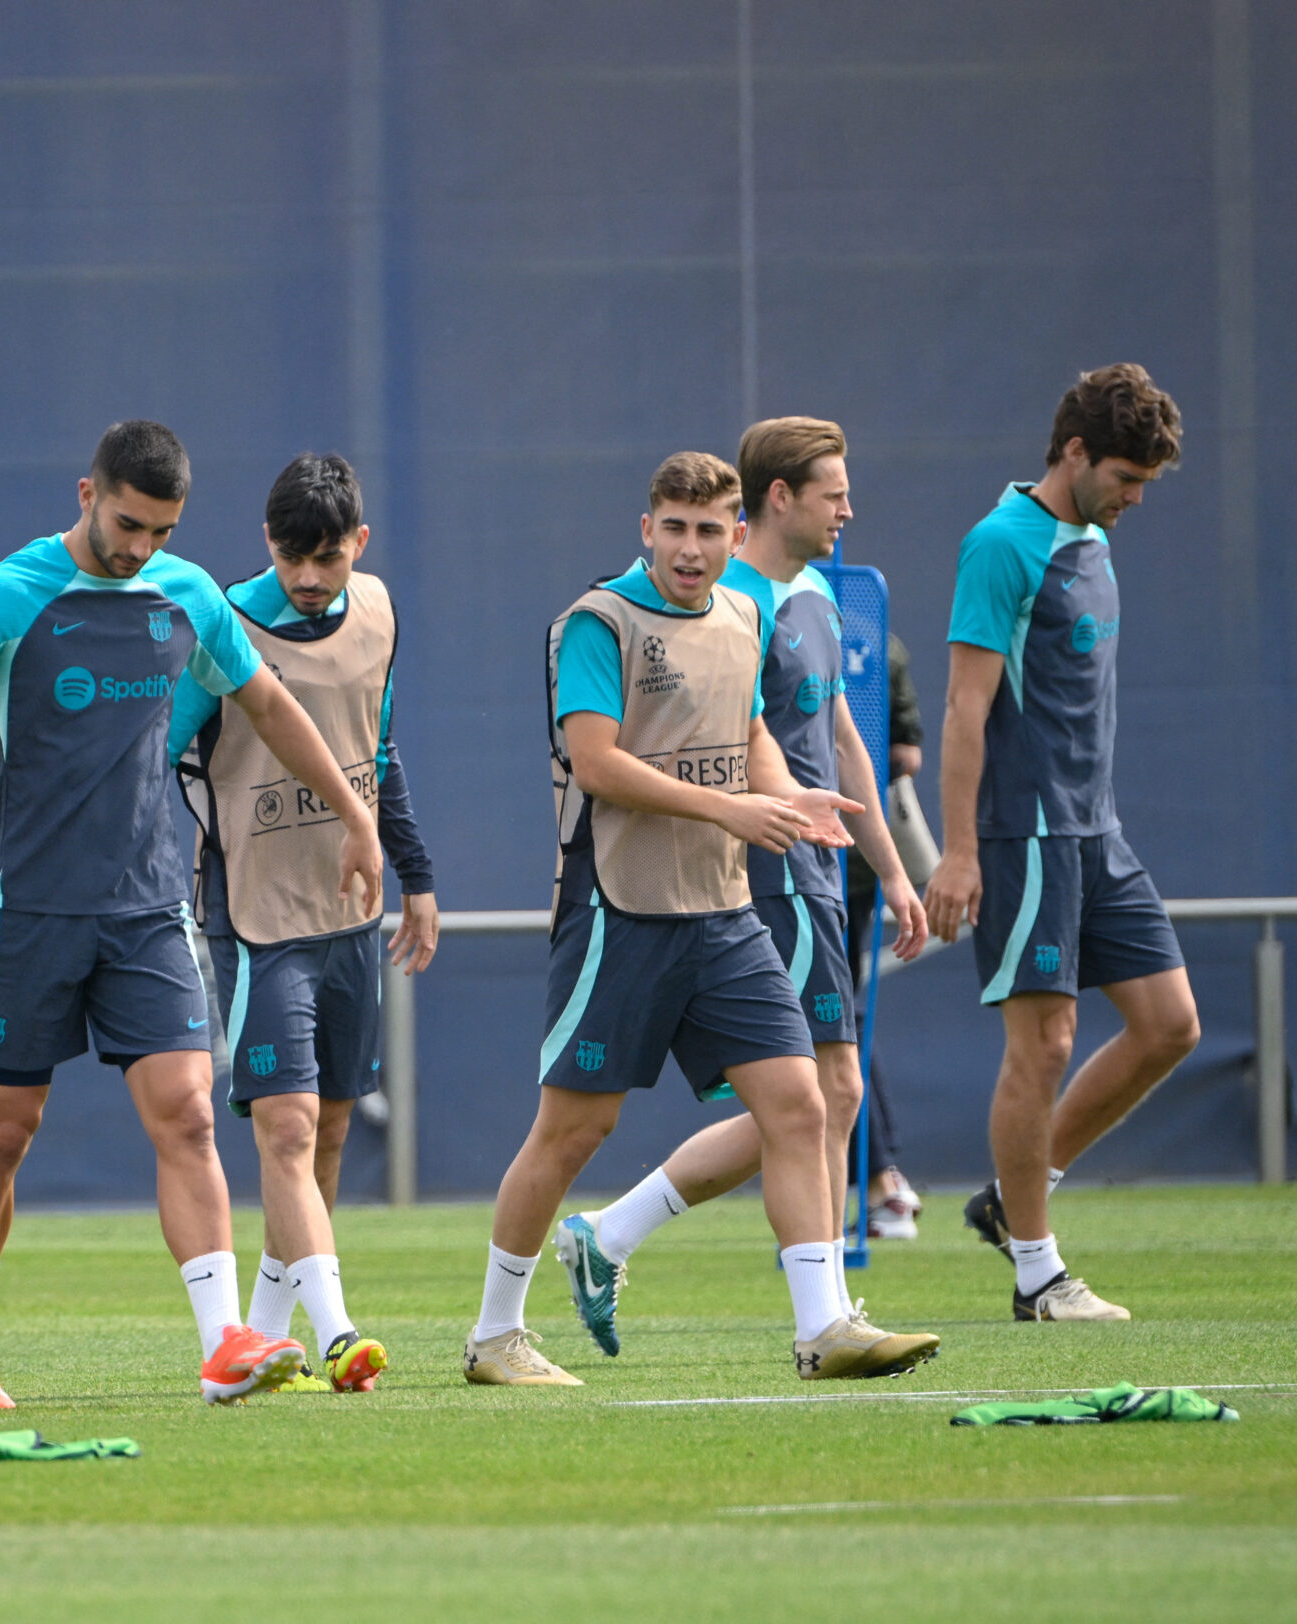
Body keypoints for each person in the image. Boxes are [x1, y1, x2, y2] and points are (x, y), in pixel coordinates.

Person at [0, 421, 384, 1409]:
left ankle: (222, 1344)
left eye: (161, 531)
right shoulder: (3, 597)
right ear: (86, 492)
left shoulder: (187, 595)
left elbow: (272, 707)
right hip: (32, 909)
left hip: (152, 909)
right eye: (127, 524)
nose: (141, 548)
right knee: (3, 1133)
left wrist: (356, 815)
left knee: (191, 1116)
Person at [464, 450, 938, 1387]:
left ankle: (824, 1326)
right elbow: (596, 762)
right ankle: (493, 1337)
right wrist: (734, 810)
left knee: (804, 1103)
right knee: (572, 1132)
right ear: (646, 529)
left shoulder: (744, 612)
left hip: (723, 912)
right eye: (673, 527)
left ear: (735, 533)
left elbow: (751, 732)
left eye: (708, 529)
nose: (691, 548)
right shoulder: (598, 622)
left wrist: (791, 797)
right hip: (620, 911)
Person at [927, 364, 1201, 1322]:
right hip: (1026, 832)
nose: (1133, 500)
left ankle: (1014, 1198)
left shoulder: (1091, 535)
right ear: (1074, 452)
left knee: (1170, 1024)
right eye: (1125, 477)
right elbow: (966, 707)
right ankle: (1039, 1274)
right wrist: (957, 851)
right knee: (1043, 1043)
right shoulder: (1002, 543)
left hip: (1098, 827)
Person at [171, 454, 438, 1394]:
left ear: (358, 545)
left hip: (349, 915)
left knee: (324, 1135)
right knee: (282, 1129)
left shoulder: (378, 613)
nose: (310, 575)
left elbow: (379, 749)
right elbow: (154, 755)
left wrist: (418, 877)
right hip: (254, 915)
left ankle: (253, 1346)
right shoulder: (222, 626)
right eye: (293, 556)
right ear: (268, 544)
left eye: (328, 555)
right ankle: (338, 1333)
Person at [855, 631, 931, 1237]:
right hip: (785, 851)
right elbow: (906, 752)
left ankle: (880, 1182)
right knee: (832, 1019)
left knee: (826, 1023)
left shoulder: (865, 630)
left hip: (828, 856)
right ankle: (881, 1182)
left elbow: (905, 754)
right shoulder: (745, 609)